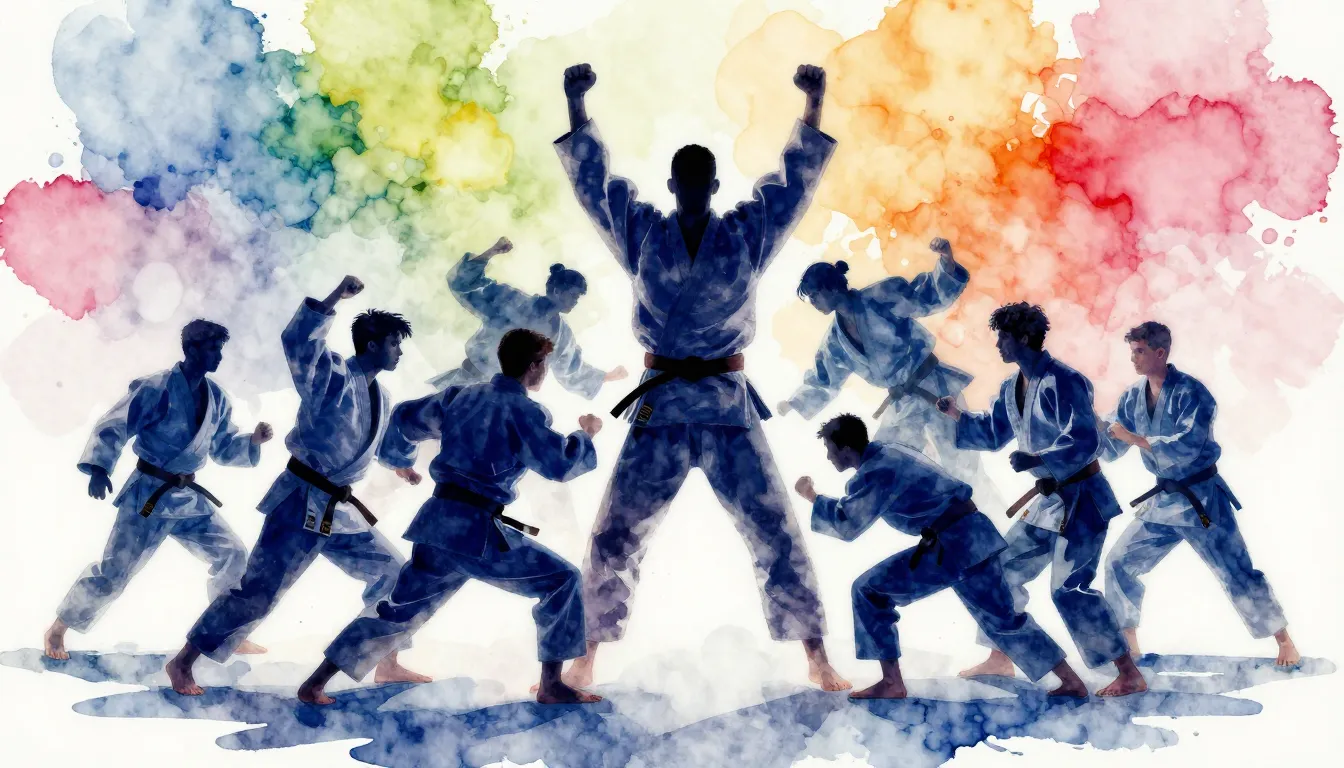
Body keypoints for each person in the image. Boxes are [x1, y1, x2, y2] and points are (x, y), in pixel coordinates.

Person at [553, 61, 848, 690]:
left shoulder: (744, 234)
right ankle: (586, 656)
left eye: (700, 181)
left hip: (724, 403)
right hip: (659, 403)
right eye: (683, 181)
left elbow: (793, 186)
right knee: (615, 533)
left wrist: (813, 102)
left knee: (774, 529)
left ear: (713, 185)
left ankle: (816, 656)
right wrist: (576, 106)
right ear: (672, 184)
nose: (691, 189)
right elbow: (596, 187)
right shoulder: (642, 234)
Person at [297, 329, 605, 705]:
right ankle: (552, 685)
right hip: (477, 533)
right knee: (562, 580)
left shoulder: (460, 396)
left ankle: (316, 682)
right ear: (534, 365)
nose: (545, 371)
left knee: (396, 611)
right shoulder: (526, 411)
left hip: (436, 525)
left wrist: (399, 459)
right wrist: (586, 436)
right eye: (545, 364)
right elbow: (560, 464)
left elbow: (404, 418)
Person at [165, 276, 425, 695]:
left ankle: (386, 661)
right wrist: (336, 297)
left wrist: (401, 467)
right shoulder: (331, 376)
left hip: (339, 509)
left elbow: (375, 445)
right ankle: (182, 662)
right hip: (300, 501)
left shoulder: (382, 396)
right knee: (258, 593)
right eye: (395, 343)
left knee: (395, 575)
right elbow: (299, 342)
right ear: (372, 344)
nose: (400, 351)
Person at [795, 414, 1088, 699]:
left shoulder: (875, 471)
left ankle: (892, 682)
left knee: (867, 591)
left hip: (951, 546)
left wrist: (813, 497)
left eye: (830, 450)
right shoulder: (890, 451)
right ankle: (1071, 680)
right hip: (976, 536)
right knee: (1004, 619)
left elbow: (847, 524)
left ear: (846, 448)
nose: (829, 457)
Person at [938, 302, 1146, 696]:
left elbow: (1086, 440)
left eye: (1003, 337)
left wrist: (1037, 459)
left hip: (1083, 499)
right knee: (1001, 572)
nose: (998, 344)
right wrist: (958, 416)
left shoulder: (1064, 380)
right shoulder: (1011, 387)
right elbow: (994, 433)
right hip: (1047, 503)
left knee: (1068, 590)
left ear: (1022, 337)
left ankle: (1128, 673)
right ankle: (1001, 655)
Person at [44, 320, 272, 660]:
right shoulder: (156, 387)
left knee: (233, 554)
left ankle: (226, 633)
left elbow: (223, 447)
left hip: (188, 498)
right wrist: (99, 468)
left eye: (220, 349)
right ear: (192, 349)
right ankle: (58, 628)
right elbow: (115, 424)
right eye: (213, 348)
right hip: (148, 496)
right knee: (115, 572)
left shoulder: (217, 397)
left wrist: (252, 440)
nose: (219, 356)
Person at [1099, 321, 1300, 666]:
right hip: (1163, 502)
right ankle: (1129, 644)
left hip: (1202, 499)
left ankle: (1284, 642)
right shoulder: (1132, 397)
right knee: (1120, 562)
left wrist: (1132, 438)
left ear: (1160, 353)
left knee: (1236, 571)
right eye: (1132, 351)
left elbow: (1187, 446)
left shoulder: (1193, 393)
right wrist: (1095, 428)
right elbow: (1112, 446)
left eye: (1139, 351)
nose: (1133, 358)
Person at [781, 238, 999, 507]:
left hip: (934, 388)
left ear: (830, 286)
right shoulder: (835, 341)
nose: (813, 301)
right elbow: (823, 378)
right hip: (902, 403)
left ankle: (991, 513)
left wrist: (946, 261)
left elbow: (924, 296)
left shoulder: (881, 296)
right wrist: (795, 402)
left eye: (814, 294)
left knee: (963, 463)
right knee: (884, 465)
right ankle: (931, 517)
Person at [429, 235, 627, 396]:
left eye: (578, 297)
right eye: (573, 295)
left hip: (504, 397)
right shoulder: (512, 300)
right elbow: (464, 285)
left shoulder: (561, 334)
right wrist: (491, 252)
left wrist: (607, 377)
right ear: (557, 290)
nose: (575, 301)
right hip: (467, 380)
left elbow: (571, 368)